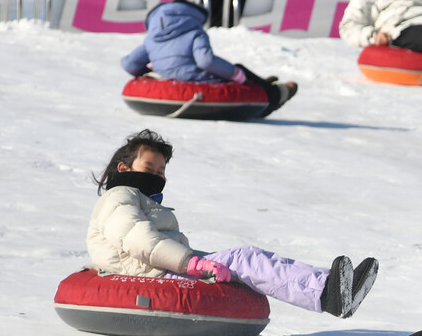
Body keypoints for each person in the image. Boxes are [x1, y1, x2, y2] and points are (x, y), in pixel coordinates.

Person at [87, 129, 378, 318]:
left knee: (244, 259)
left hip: (159, 268)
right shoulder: (119, 196)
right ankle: (329, 293)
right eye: (149, 169)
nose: (157, 176)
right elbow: (139, 239)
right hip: (154, 276)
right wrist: (192, 264)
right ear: (124, 169)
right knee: (244, 258)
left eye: (161, 170)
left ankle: (334, 287)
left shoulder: (137, 198)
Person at [121, 0, 297, 118]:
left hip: (169, 80)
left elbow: (129, 63)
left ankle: (262, 83)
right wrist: (236, 75)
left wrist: (152, 70)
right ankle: (276, 94)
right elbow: (206, 61)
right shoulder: (194, 32)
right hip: (200, 80)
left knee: (236, 71)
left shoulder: (152, 39)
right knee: (239, 69)